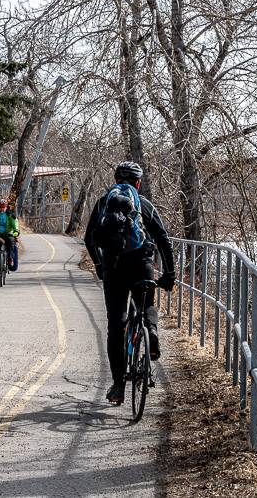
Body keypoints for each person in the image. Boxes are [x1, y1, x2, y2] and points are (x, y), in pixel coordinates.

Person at [84, 162, 176, 405]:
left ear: (116, 179)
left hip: (113, 268)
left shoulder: (105, 203)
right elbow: (164, 240)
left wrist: (99, 265)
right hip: (141, 264)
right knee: (146, 307)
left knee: (116, 324)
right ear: (138, 183)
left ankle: (117, 387)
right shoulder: (144, 205)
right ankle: (152, 332)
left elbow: (89, 238)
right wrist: (170, 274)